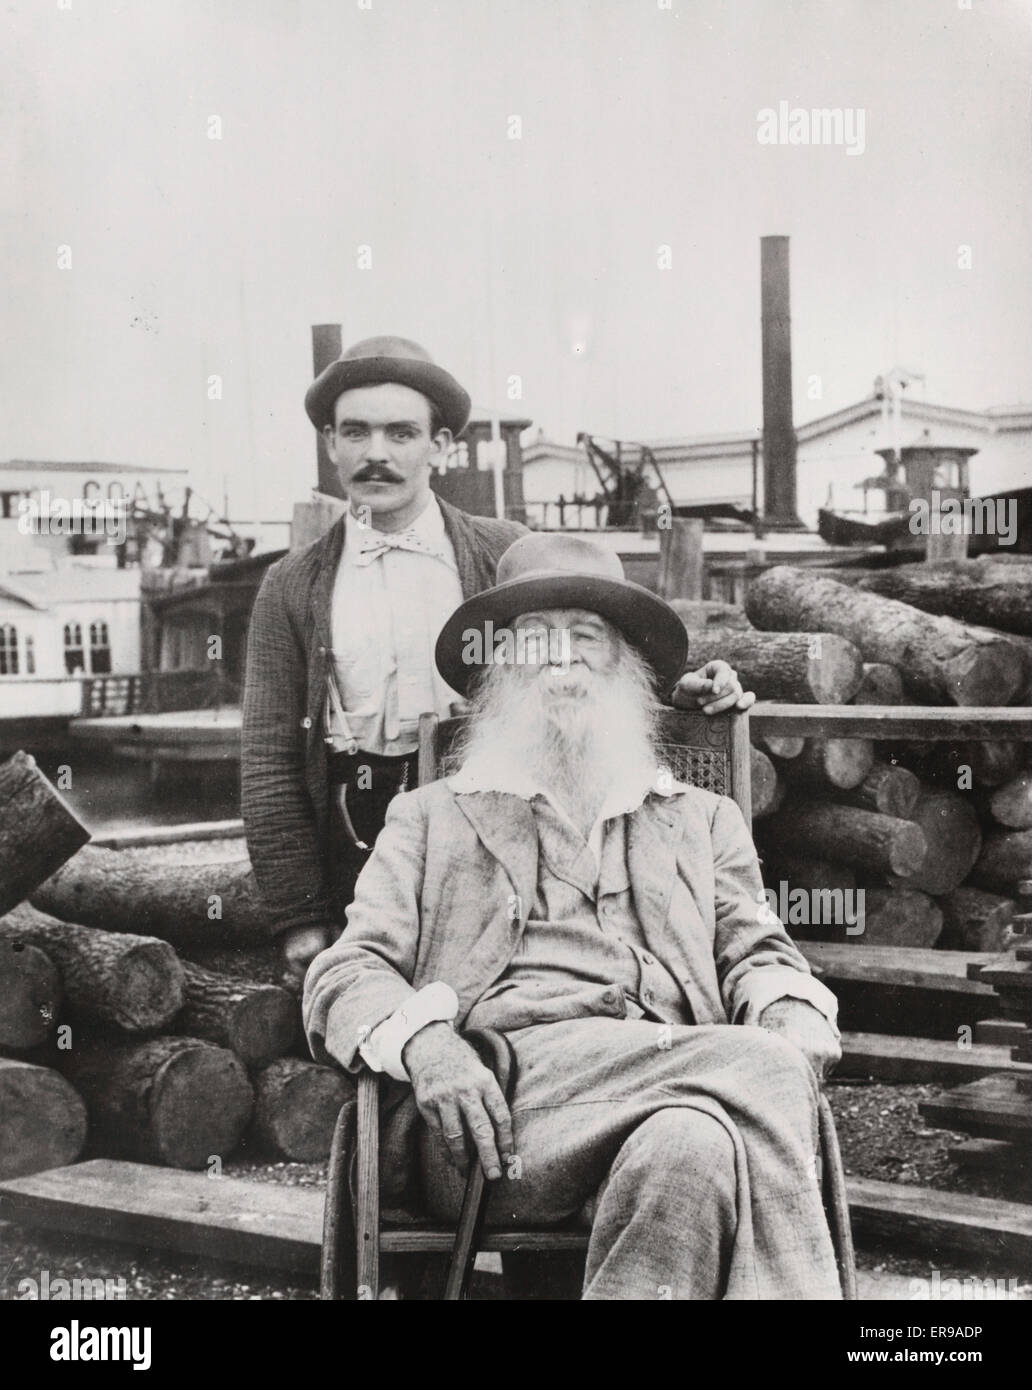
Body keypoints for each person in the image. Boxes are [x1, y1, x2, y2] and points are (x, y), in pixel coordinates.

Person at [303, 532, 842, 1300]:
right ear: (499, 671)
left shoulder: (701, 820)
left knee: (692, 1149)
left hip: (679, 1094)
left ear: (625, 667)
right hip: (499, 1119)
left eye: (586, 639)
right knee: (763, 1067)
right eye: (535, 642)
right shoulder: (429, 818)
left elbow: (757, 951)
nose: (562, 659)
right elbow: (347, 970)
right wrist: (427, 1047)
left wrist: (790, 1008)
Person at [242, 336, 754, 982]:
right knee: (359, 1013)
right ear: (330, 445)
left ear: (441, 446)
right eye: (356, 432)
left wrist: (685, 690)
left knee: (483, 998)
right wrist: (298, 913)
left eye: (402, 433)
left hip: (487, 834)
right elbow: (267, 761)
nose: (377, 454)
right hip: (355, 839)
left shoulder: (505, 553)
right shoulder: (290, 586)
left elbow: (588, 647)